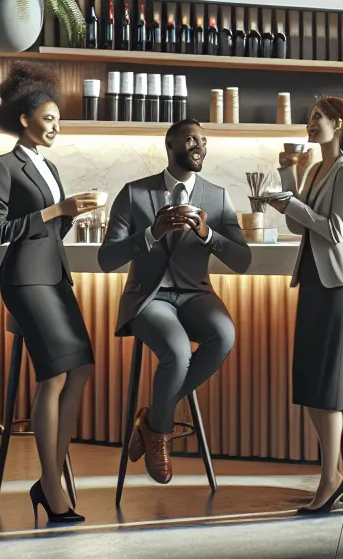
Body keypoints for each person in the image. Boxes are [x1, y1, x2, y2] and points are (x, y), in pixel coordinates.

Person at [99, 119, 253, 484]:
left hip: (196, 293)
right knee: (178, 350)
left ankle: (152, 421)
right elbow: (106, 259)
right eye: (190, 139)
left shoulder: (216, 196)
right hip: (149, 298)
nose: (199, 145)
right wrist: (152, 233)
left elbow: (242, 260)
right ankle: (160, 439)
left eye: (203, 140)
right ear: (170, 146)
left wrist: (208, 233)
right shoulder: (135, 193)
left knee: (224, 335)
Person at [0, 63, 105, 525]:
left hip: (56, 276)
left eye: (57, 119)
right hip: (24, 281)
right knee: (54, 377)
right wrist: (59, 207)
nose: (56, 126)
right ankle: (52, 488)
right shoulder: (4, 165)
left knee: (83, 370)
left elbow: (54, 227)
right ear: (24, 120)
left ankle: (49, 476)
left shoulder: (49, 166)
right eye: (49, 118)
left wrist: (76, 212)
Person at [263, 96, 343, 515]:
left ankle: (330, 478)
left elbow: (335, 228)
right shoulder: (315, 168)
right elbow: (298, 224)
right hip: (314, 280)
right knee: (311, 381)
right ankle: (338, 468)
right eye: (310, 118)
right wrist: (289, 180)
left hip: (341, 287)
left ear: (340, 125)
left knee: (327, 384)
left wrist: (293, 202)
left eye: (318, 118)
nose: (310, 124)